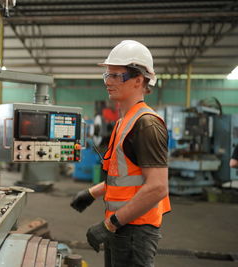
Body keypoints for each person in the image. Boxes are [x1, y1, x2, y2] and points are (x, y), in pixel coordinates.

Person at [70, 40, 171, 267]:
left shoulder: (146, 124)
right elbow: (126, 179)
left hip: (136, 230)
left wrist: (110, 225)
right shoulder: (124, 122)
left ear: (139, 80)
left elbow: (157, 187)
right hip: (123, 225)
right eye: (107, 75)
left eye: (117, 76)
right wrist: (92, 192)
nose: (109, 82)